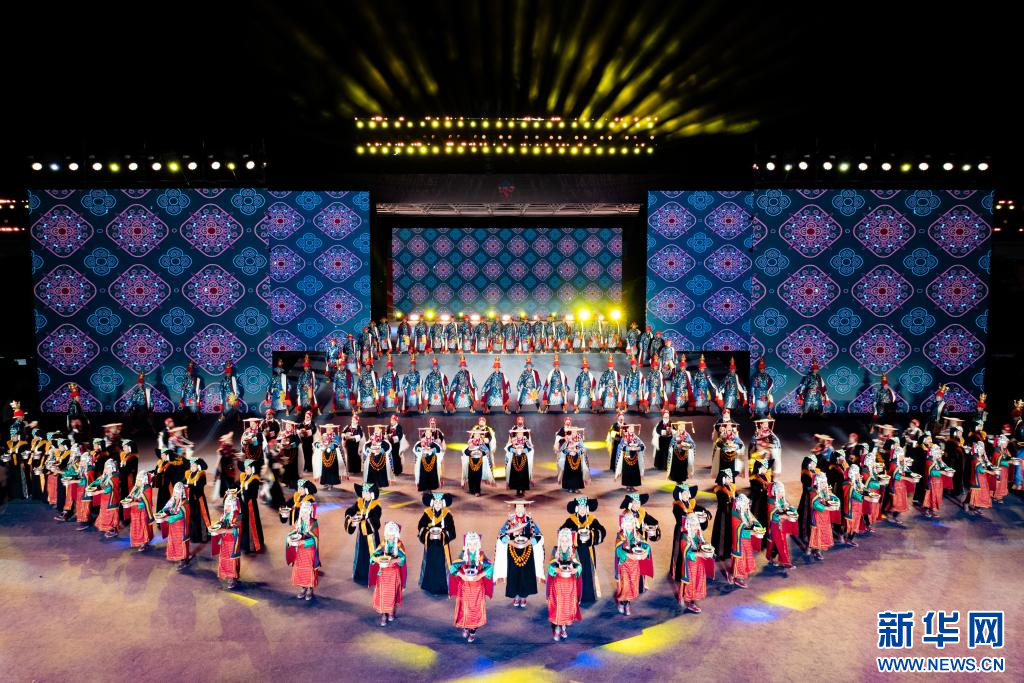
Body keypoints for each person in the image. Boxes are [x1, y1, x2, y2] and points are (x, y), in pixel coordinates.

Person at [494, 500, 544, 608]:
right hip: (513, 551)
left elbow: (538, 535)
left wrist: (529, 542)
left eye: (522, 508)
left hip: (527, 551)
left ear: (525, 509)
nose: (520, 510)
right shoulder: (510, 521)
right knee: (514, 573)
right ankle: (516, 595)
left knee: (525, 574)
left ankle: (524, 596)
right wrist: (510, 542)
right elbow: (501, 534)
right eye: (518, 508)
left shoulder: (529, 521)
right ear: (515, 509)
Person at [449, 532, 494, 643]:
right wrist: (462, 576)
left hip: (477, 588)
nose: (472, 546)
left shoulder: (481, 555)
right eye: (470, 544)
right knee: (465, 609)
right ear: (466, 545)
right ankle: (465, 626)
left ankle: (473, 631)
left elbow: (490, 567)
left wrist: (480, 575)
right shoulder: (463, 555)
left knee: (475, 610)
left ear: (478, 544)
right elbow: (452, 567)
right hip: (465, 587)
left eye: (474, 544)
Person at [668, 484, 709, 584]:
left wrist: (705, 511)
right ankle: (678, 573)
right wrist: (692, 516)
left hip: (692, 529)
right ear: (680, 495)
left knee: (692, 547)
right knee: (680, 550)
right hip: (681, 530)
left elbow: (698, 508)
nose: (686, 496)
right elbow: (680, 518)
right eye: (684, 494)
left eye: (687, 494)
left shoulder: (691, 503)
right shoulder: (677, 506)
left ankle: (691, 567)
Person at [546, 528, 583, 641]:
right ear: (559, 540)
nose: (564, 543)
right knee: (558, 605)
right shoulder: (555, 550)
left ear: (570, 541)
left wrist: (576, 569)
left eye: (567, 541)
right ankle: (557, 626)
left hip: (570, 584)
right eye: (562, 541)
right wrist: (555, 569)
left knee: (567, 605)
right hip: (558, 584)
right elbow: (551, 566)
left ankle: (564, 626)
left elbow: (579, 565)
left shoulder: (573, 551)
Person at [613, 513, 652, 616]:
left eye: (631, 524)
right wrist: (629, 555)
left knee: (632, 584)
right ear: (624, 525)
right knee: (625, 584)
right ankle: (623, 602)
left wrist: (645, 552)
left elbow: (645, 545)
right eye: (627, 524)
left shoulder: (637, 534)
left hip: (634, 565)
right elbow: (618, 550)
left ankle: (627, 602)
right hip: (624, 564)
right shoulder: (620, 535)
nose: (629, 526)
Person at [369, 521, 408, 626]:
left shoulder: (399, 545)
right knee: (383, 594)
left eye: (392, 535)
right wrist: (378, 560)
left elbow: (403, 559)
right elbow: (373, 556)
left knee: (392, 593)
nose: (390, 537)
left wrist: (393, 561)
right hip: (383, 573)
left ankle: (390, 611)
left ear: (396, 535)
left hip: (394, 573)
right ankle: (383, 615)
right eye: (388, 535)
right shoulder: (383, 544)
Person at [417, 492, 456, 595]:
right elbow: (421, 527)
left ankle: (442, 588)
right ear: (432, 503)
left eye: (439, 503)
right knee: (430, 565)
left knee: (441, 565)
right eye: (436, 503)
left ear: (443, 503)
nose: (437, 505)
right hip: (430, 545)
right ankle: (430, 586)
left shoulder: (447, 515)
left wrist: (442, 535)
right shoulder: (427, 513)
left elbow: (452, 531)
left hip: (442, 546)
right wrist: (427, 534)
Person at [346, 483, 383, 585]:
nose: (364, 494)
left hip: (372, 535)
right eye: (363, 492)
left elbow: (376, 522)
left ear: (372, 494)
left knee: (372, 553)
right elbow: (350, 511)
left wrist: (362, 519)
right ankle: (360, 574)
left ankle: (373, 575)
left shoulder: (376, 506)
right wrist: (351, 517)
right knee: (361, 553)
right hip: (361, 535)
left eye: (366, 492)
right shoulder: (359, 502)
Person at [286, 500, 321, 600]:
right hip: (300, 550)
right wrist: (289, 538)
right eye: (302, 512)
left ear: (309, 512)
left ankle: (310, 588)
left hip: (309, 551)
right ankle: (303, 587)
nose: (304, 514)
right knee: (300, 570)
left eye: (306, 512)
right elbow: (294, 532)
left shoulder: (313, 523)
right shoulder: (299, 522)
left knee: (309, 569)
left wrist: (302, 542)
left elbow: (315, 540)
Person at [679, 512, 712, 613]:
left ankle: (695, 596)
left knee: (698, 580)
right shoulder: (685, 537)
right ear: (689, 525)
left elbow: (701, 544)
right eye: (693, 525)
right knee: (691, 582)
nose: (696, 527)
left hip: (699, 563)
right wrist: (699, 554)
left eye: (697, 524)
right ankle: (689, 601)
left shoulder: (697, 534)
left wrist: (706, 546)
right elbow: (686, 554)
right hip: (690, 565)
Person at [211, 490, 242, 589]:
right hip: (224, 540)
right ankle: (226, 574)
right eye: (226, 505)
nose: (226, 508)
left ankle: (233, 577)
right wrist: (215, 528)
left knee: (232, 559)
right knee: (224, 557)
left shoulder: (237, 517)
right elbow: (221, 524)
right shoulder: (224, 515)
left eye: (229, 505)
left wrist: (223, 530)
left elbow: (236, 531)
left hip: (232, 542)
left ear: (233, 506)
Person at [765, 481, 797, 570]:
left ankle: (771, 557)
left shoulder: (781, 499)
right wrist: (784, 516)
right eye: (779, 492)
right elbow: (772, 514)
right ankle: (785, 562)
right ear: (775, 492)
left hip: (781, 524)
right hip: (775, 525)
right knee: (781, 542)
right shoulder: (771, 501)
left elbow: (787, 507)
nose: (781, 494)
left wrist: (792, 511)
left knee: (774, 542)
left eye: (782, 491)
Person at [184, 455, 212, 553]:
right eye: (191, 466)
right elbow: (184, 483)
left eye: (194, 466)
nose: (192, 468)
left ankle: (203, 536)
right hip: (191, 500)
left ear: (198, 467)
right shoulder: (188, 474)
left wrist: (189, 487)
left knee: (201, 518)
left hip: (199, 499)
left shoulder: (201, 475)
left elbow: (200, 487)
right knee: (192, 518)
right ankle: (194, 536)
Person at [159, 482, 191, 570]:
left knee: (181, 542)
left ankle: (184, 559)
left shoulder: (185, 503)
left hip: (181, 527)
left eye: (177, 493)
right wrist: (162, 512)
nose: (175, 494)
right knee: (174, 541)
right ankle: (177, 555)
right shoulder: (173, 499)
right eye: (174, 492)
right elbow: (167, 507)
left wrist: (168, 518)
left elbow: (181, 515)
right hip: (173, 526)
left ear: (181, 493)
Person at [808, 472, 838, 560]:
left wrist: (837, 502)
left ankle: (819, 548)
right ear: (818, 482)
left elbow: (833, 497)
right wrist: (826, 508)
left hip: (825, 516)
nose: (824, 484)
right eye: (822, 482)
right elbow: (815, 504)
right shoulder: (814, 492)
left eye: (825, 482)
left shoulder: (824, 490)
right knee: (818, 532)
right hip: (818, 516)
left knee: (824, 530)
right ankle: (817, 550)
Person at [711, 470, 736, 572]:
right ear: (723, 479)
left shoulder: (731, 487)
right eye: (728, 478)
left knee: (729, 532)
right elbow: (723, 503)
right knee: (722, 532)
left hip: (729, 513)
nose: (731, 479)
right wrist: (731, 503)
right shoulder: (720, 490)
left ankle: (728, 550)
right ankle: (720, 551)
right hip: (723, 514)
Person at [238, 459, 265, 554]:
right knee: (244, 522)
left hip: (250, 505)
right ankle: (244, 543)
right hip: (243, 504)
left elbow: (253, 494)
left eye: (248, 468)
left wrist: (243, 494)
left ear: (252, 469)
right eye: (245, 468)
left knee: (251, 523)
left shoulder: (255, 479)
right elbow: (239, 487)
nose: (246, 470)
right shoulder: (244, 476)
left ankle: (251, 545)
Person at [125, 470, 155, 552]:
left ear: (143, 480)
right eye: (136, 480)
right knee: (136, 526)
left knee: (142, 526)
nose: (137, 482)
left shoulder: (147, 488)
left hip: (142, 512)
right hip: (134, 511)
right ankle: (138, 541)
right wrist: (128, 499)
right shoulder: (136, 487)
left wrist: (133, 503)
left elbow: (146, 503)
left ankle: (144, 542)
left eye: (139, 480)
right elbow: (131, 496)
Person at [92, 458, 121, 538]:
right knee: (104, 512)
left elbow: (109, 489)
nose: (105, 470)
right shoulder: (105, 476)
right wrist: (91, 486)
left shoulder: (114, 477)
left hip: (111, 499)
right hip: (104, 498)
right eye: (105, 468)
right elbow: (98, 481)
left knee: (111, 514)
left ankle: (113, 529)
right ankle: (108, 527)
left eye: (107, 468)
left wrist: (97, 492)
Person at [361, 426, 395, 490]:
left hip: (381, 458)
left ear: (380, 431)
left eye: (378, 430)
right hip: (372, 457)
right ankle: (371, 484)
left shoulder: (383, 439)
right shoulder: (371, 438)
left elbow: (387, 446)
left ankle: (380, 483)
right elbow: (366, 445)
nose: (376, 432)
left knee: (381, 471)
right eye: (375, 431)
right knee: (371, 471)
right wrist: (368, 449)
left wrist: (381, 450)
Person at [556, 429, 590, 493]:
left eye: (575, 433)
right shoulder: (567, 442)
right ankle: (570, 487)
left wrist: (577, 451)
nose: (573, 435)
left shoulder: (578, 441)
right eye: (572, 433)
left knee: (577, 474)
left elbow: (582, 450)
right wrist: (568, 450)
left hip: (577, 458)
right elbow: (563, 450)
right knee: (569, 474)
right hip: (569, 459)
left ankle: (576, 487)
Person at [614, 425, 646, 491]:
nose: (631, 430)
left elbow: (642, 446)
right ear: (628, 430)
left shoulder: (636, 438)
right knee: (627, 471)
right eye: (630, 429)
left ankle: (632, 486)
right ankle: (628, 486)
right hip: (627, 457)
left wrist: (637, 447)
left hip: (634, 457)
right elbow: (621, 447)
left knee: (634, 472)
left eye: (632, 429)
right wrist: (629, 448)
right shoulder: (624, 438)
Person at [964, 440, 993, 514]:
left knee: (982, 492)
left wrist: (992, 467)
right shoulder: (975, 457)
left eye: (983, 449)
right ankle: (967, 503)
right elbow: (978, 469)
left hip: (982, 478)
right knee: (974, 492)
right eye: (982, 449)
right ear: (978, 449)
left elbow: (987, 463)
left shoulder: (982, 456)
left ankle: (978, 506)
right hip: (976, 478)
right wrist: (988, 471)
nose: (983, 450)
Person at [841, 464, 866, 547]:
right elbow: (856, 495)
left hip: (857, 507)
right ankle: (846, 538)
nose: (859, 475)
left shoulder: (856, 482)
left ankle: (849, 539)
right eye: (857, 473)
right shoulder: (848, 484)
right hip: (851, 508)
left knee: (855, 524)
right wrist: (863, 496)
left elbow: (863, 489)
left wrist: (868, 492)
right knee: (850, 524)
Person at [921, 443, 948, 518]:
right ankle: (926, 511)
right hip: (931, 482)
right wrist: (941, 472)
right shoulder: (929, 461)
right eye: (937, 452)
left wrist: (947, 468)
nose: (939, 454)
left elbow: (943, 465)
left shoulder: (937, 459)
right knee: (929, 496)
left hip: (938, 482)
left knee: (936, 496)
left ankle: (932, 510)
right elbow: (930, 472)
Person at [315, 424, 342, 490]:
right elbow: (317, 443)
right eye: (327, 429)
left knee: (332, 469)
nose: (328, 430)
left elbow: (337, 444)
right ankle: (325, 482)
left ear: (332, 429)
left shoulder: (335, 436)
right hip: (325, 454)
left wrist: (329, 446)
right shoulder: (323, 436)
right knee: (325, 468)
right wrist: (320, 445)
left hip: (332, 454)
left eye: (330, 429)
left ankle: (331, 483)